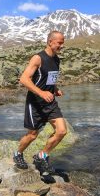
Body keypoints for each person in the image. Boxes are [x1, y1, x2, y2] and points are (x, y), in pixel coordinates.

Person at [13, 31, 67, 176]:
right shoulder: (38, 58)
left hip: (50, 103)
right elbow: (24, 79)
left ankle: (42, 156)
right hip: (35, 102)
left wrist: (55, 89)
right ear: (50, 42)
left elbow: (49, 79)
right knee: (32, 135)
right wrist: (41, 92)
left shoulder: (56, 59)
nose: (62, 45)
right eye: (59, 43)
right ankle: (18, 153)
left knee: (62, 131)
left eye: (63, 42)